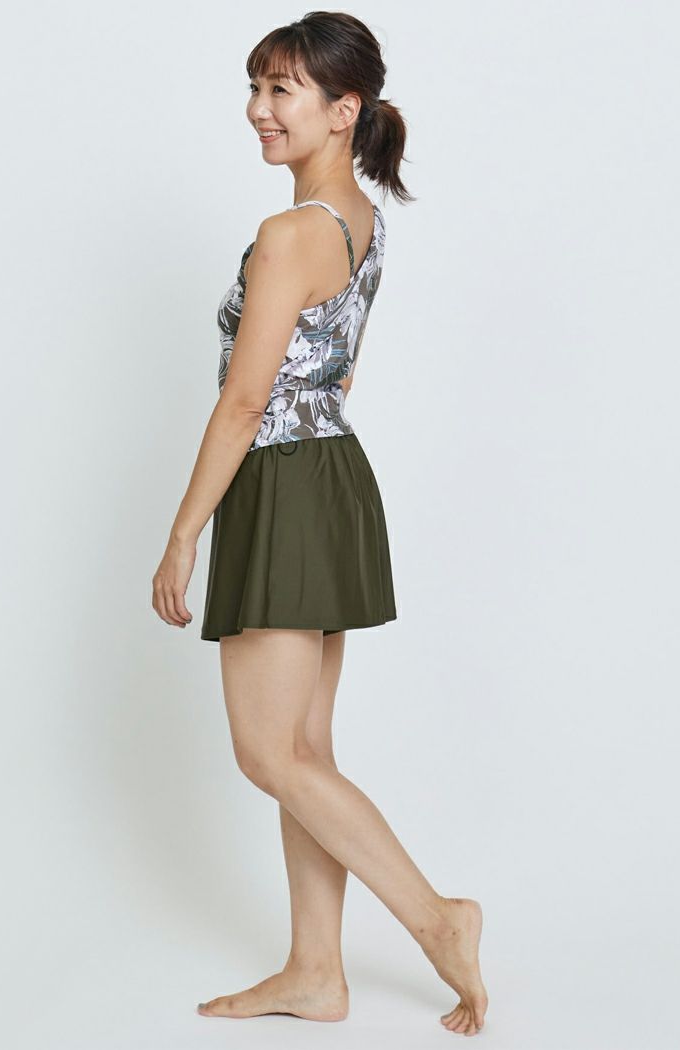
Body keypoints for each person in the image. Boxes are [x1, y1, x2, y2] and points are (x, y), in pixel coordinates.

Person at [151, 12, 488, 1038]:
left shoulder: (291, 233)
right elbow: (320, 378)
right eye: (255, 88)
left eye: (282, 90)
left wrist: (184, 533)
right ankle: (315, 970)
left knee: (271, 755)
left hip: (284, 482)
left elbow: (245, 399)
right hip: (331, 474)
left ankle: (437, 919)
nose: (259, 110)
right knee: (303, 747)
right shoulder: (356, 219)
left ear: (344, 111)